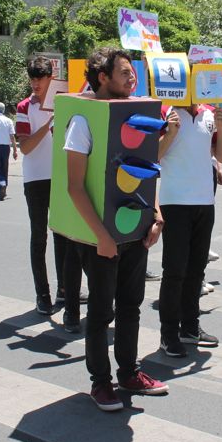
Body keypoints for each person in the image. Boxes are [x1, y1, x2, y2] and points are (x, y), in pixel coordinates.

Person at [64, 48, 168, 411]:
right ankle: (100, 383)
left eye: (132, 72)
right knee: (101, 311)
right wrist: (102, 237)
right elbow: (74, 186)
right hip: (101, 236)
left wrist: (154, 215)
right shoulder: (84, 119)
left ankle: (129, 372)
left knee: (130, 306)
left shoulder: (137, 114)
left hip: (134, 231)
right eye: (124, 73)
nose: (132, 78)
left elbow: (146, 170)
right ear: (102, 77)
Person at [157, 87, 222, 358]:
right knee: (175, 270)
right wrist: (171, 132)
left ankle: (190, 327)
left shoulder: (209, 114)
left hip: (204, 201)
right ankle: (168, 333)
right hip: (174, 202)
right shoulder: (165, 111)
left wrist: (221, 127)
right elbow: (153, 156)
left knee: (196, 269)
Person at [16, 56, 71, 315]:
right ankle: (42, 294)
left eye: (41, 78)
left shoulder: (64, 100)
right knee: (39, 236)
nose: (36, 83)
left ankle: (64, 289)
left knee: (63, 235)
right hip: (35, 177)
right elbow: (25, 147)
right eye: (32, 78)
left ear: (52, 77)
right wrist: (48, 124)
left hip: (60, 175)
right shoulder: (24, 106)